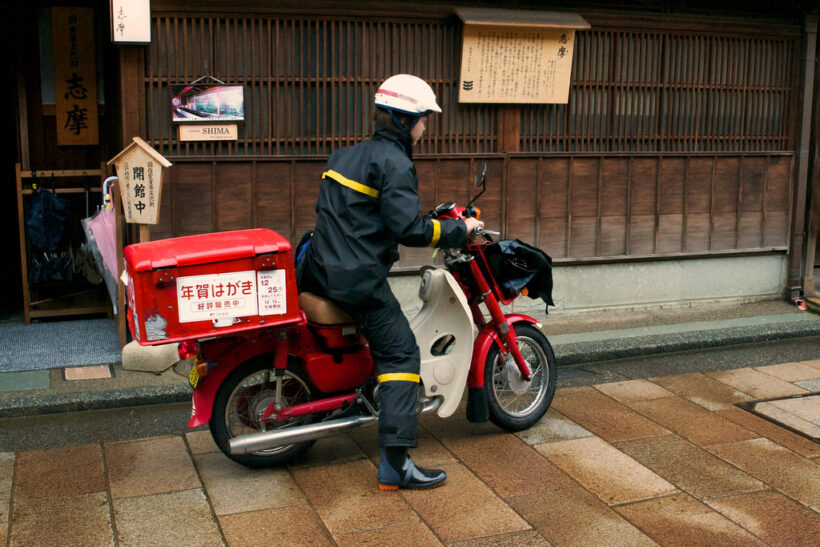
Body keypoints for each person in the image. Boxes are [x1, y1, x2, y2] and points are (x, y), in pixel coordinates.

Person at [297, 74, 483, 490]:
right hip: (355, 279)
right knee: (400, 354)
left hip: (319, 268)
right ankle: (395, 466)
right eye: (423, 119)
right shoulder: (395, 162)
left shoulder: (345, 155)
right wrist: (460, 230)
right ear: (404, 120)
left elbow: (357, 215)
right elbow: (408, 230)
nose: (425, 127)